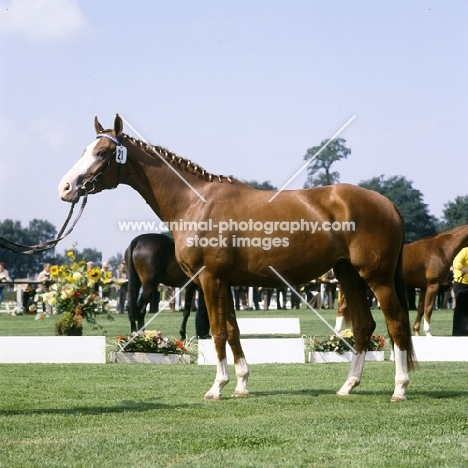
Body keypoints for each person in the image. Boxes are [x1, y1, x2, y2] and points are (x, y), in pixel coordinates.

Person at [452, 247, 468, 336]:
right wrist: (463, 268)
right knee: (460, 308)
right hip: (461, 284)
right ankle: (457, 332)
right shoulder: (465, 251)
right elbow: (455, 262)